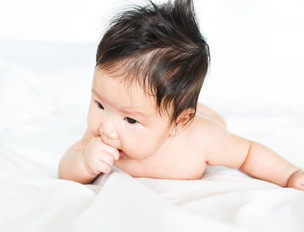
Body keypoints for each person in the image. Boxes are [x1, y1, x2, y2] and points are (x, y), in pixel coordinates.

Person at [58, 0, 304, 190]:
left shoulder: (201, 139)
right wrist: (83, 163)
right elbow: (67, 165)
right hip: (176, 112)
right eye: (99, 104)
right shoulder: (100, 133)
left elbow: (248, 154)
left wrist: (289, 175)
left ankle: (202, 110)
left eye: (130, 120)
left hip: (205, 122)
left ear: (179, 123)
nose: (107, 129)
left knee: (214, 121)